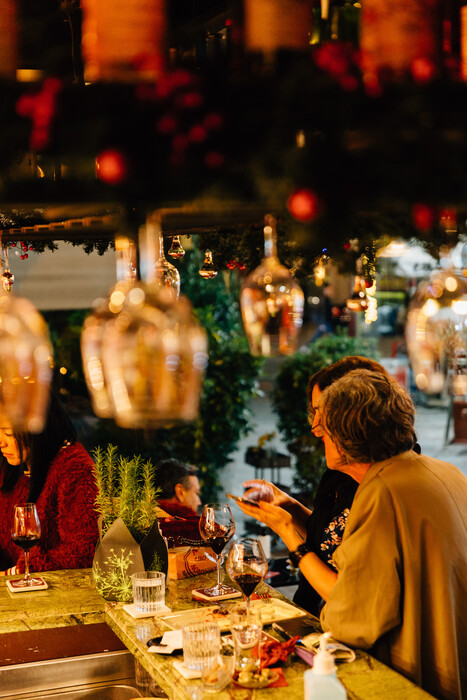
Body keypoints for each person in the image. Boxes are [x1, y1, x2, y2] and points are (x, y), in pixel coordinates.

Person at [240, 369, 467, 699]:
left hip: (412, 673)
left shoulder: (381, 492)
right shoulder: (444, 470)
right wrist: (289, 510)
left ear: (346, 438)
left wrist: (288, 533)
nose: (317, 433)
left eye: (325, 427)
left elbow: (352, 615)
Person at [243, 355, 392, 616]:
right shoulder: (338, 474)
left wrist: (287, 531)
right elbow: (329, 537)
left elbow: (347, 594)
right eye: (314, 412)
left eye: (322, 413)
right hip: (311, 610)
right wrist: (287, 504)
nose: (314, 427)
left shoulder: (382, 484)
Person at [0, 392, 99, 575]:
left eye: (7, 432)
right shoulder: (11, 468)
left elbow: (83, 552)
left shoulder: (74, 469)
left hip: (57, 593)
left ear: (38, 427)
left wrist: (17, 572)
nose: (1, 443)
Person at [155, 458, 202, 546]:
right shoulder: (195, 531)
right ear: (180, 492)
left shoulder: (138, 523)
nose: (199, 502)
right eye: (196, 493)